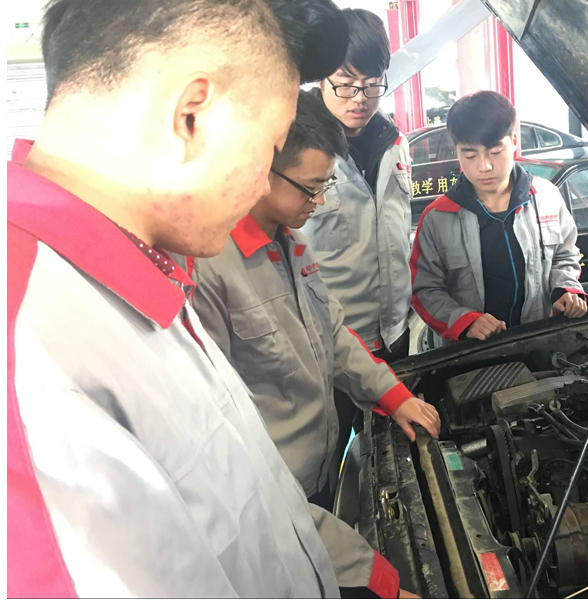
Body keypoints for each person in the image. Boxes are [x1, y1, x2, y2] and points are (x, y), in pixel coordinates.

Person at [7, 1, 404, 597]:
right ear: (190, 117)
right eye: (268, 148)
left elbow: (251, 499)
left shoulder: (139, 281)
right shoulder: (27, 353)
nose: (260, 185)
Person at [182, 91, 440, 515]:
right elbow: (212, 417)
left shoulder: (292, 242)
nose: (319, 201)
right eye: (312, 188)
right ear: (261, 169)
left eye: (326, 185)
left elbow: (331, 334)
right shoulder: (208, 268)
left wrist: (393, 395)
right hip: (267, 495)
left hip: (316, 475)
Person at [301, 8, 414, 475]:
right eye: (346, 84)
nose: (360, 99)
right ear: (320, 78)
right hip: (335, 346)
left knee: (397, 462)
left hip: (395, 334)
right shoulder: (296, 151)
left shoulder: (394, 142)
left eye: (372, 85)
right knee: (327, 466)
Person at [410, 91, 588, 346]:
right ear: (457, 151)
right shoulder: (438, 217)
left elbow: (565, 255)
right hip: (469, 352)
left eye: (495, 151)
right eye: (470, 155)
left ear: (514, 141)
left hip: (538, 342)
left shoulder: (546, 197)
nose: (484, 166)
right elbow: (424, 290)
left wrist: (565, 290)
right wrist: (465, 321)